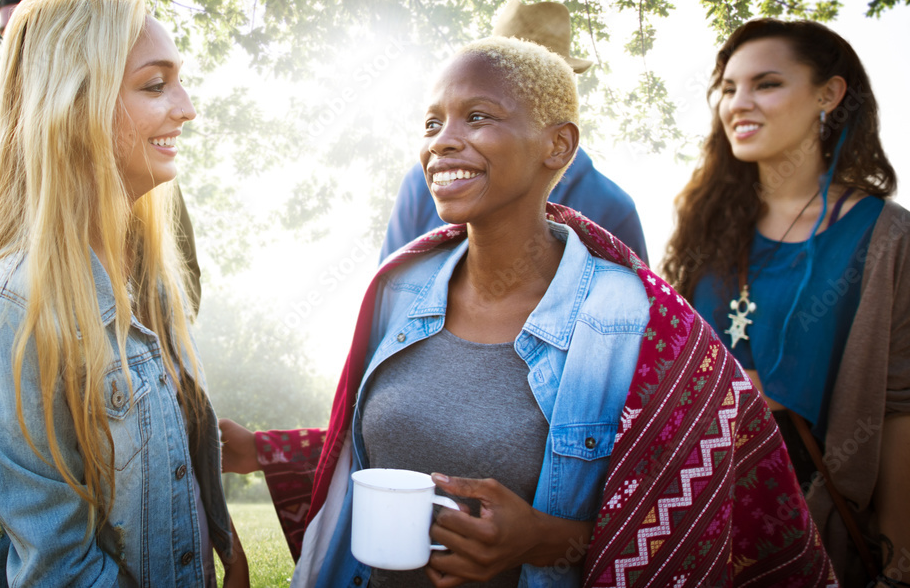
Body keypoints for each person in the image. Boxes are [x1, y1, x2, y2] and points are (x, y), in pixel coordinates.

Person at [221, 37, 837, 587]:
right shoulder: (399, 289)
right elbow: (382, 450)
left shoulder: (641, 321)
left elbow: (693, 509)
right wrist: (263, 450)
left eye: (478, 117)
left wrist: (543, 540)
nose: (442, 141)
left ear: (557, 144)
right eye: (432, 122)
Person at [0, 0, 246, 586]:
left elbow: (177, 449)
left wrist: (225, 551)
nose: (187, 108)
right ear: (76, 106)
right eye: (155, 86)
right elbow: (63, 569)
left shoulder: (151, 277)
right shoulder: (10, 310)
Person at [662, 18, 909, 587]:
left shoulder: (886, 237)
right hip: (694, 518)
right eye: (728, 87)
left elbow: (900, 407)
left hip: (814, 529)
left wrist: (899, 566)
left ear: (829, 94)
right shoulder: (704, 222)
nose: (738, 103)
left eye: (766, 84)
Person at [0, 0, 203, 314]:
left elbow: (185, 286)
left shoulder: (141, 163)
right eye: (10, 36)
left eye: (42, 31)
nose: (23, 49)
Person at [379, 0, 649, 265]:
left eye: (479, 116)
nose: (443, 142)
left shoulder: (611, 207)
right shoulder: (423, 184)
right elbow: (388, 288)